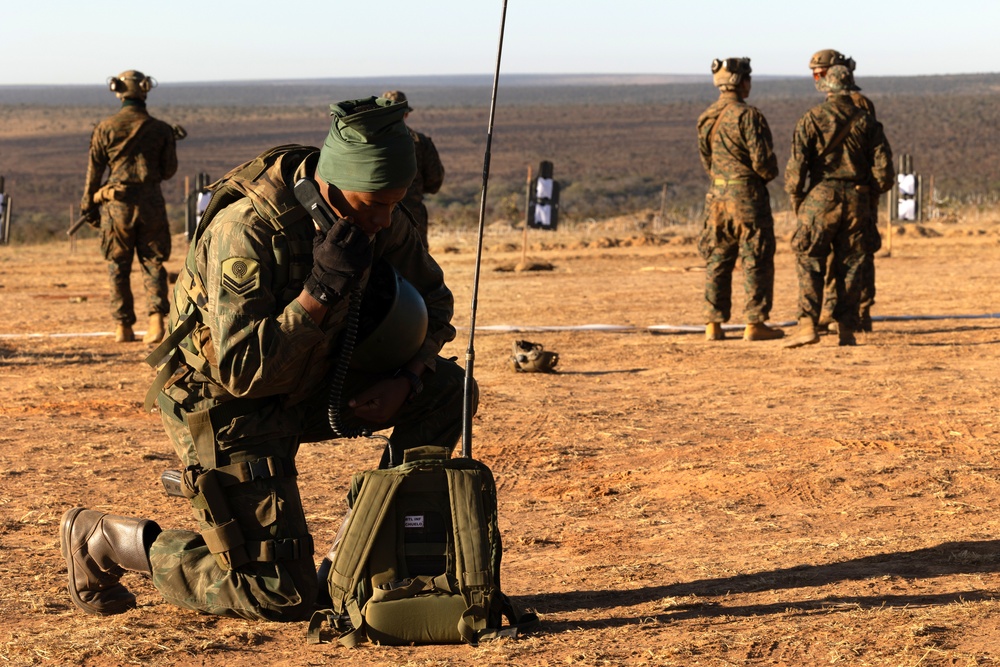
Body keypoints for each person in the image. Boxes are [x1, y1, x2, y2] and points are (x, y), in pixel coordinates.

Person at [60, 96, 473, 621]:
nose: (385, 220)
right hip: (229, 406)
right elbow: (240, 372)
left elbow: (437, 303)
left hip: (311, 382)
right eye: (375, 205)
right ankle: (106, 540)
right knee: (281, 595)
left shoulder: (376, 218)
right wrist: (317, 294)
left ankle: (362, 557)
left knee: (448, 389)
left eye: (395, 204)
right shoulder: (249, 229)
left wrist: (409, 378)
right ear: (333, 183)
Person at [783, 66, 894, 348]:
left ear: (827, 89)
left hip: (820, 198)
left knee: (810, 259)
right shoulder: (868, 122)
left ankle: (808, 323)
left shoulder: (811, 119)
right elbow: (884, 174)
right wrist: (867, 194)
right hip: (857, 199)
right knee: (852, 264)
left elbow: (795, 171)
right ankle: (846, 328)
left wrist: (799, 203)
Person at [80, 70, 177, 344]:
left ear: (118, 91)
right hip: (151, 205)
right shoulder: (161, 129)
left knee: (117, 265)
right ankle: (156, 320)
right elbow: (169, 171)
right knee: (153, 262)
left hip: (117, 207)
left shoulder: (105, 129)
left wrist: (88, 205)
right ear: (145, 90)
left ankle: (123, 326)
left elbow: (94, 173)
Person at [696, 57, 784, 342]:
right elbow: (763, 163)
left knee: (717, 258)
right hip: (747, 196)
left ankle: (713, 324)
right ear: (742, 82)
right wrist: (766, 173)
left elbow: (707, 162)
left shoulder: (706, 117)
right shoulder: (749, 116)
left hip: (716, 197)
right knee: (755, 256)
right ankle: (754, 323)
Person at [809, 50, 882, 333]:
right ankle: (834, 310)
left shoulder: (858, 103)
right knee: (835, 254)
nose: (817, 79)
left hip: (856, 192)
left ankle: (859, 312)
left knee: (857, 254)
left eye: (820, 73)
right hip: (838, 195)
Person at [381, 90, 445, 249]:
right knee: (417, 265)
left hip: (376, 216)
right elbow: (434, 180)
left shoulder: (368, 142)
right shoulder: (420, 142)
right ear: (406, 114)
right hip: (412, 215)